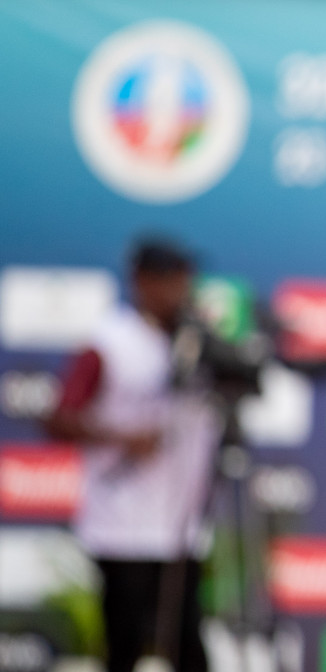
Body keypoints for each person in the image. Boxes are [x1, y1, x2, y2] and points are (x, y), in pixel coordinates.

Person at [45, 238, 221, 672]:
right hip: (122, 525)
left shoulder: (200, 342)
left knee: (188, 647)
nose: (179, 291)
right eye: (169, 280)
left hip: (181, 527)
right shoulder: (110, 341)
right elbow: (58, 417)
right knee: (124, 646)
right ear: (141, 281)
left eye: (184, 280)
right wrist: (124, 438)